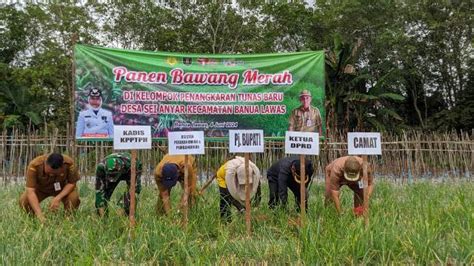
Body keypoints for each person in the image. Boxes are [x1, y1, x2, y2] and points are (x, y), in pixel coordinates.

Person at [19, 153, 80, 222]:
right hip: (41, 189)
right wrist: (40, 215)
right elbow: (30, 191)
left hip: (62, 188)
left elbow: (72, 183)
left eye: (55, 174)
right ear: (45, 163)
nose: (51, 175)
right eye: (48, 173)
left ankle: (68, 219)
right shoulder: (34, 165)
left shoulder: (69, 164)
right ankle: (34, 219)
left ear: (62, 167)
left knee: (74, 198)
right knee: (24, 201)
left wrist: (58, 198)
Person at [95, 152, 142, 217]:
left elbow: (135, 190)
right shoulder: (101, 168)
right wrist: (101, 211)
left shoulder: (133, 165)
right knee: (103, 196)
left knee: (133, 193)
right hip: (116, 170)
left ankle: (128, 215)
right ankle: (103, 219)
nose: (113, 179)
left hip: (129, 170)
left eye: (114, 175)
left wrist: (122, 205)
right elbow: (99, 191)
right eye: (111, 176)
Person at [216, 156, 261, 222]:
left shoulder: (254, 171)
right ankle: (226, 220)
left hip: (238, 171)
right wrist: (241, 209)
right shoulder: (230, 174)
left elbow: (258, 188)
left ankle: (244, 218)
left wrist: (256, 204)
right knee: (225, 199)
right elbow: (230, 194)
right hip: (222, 177)